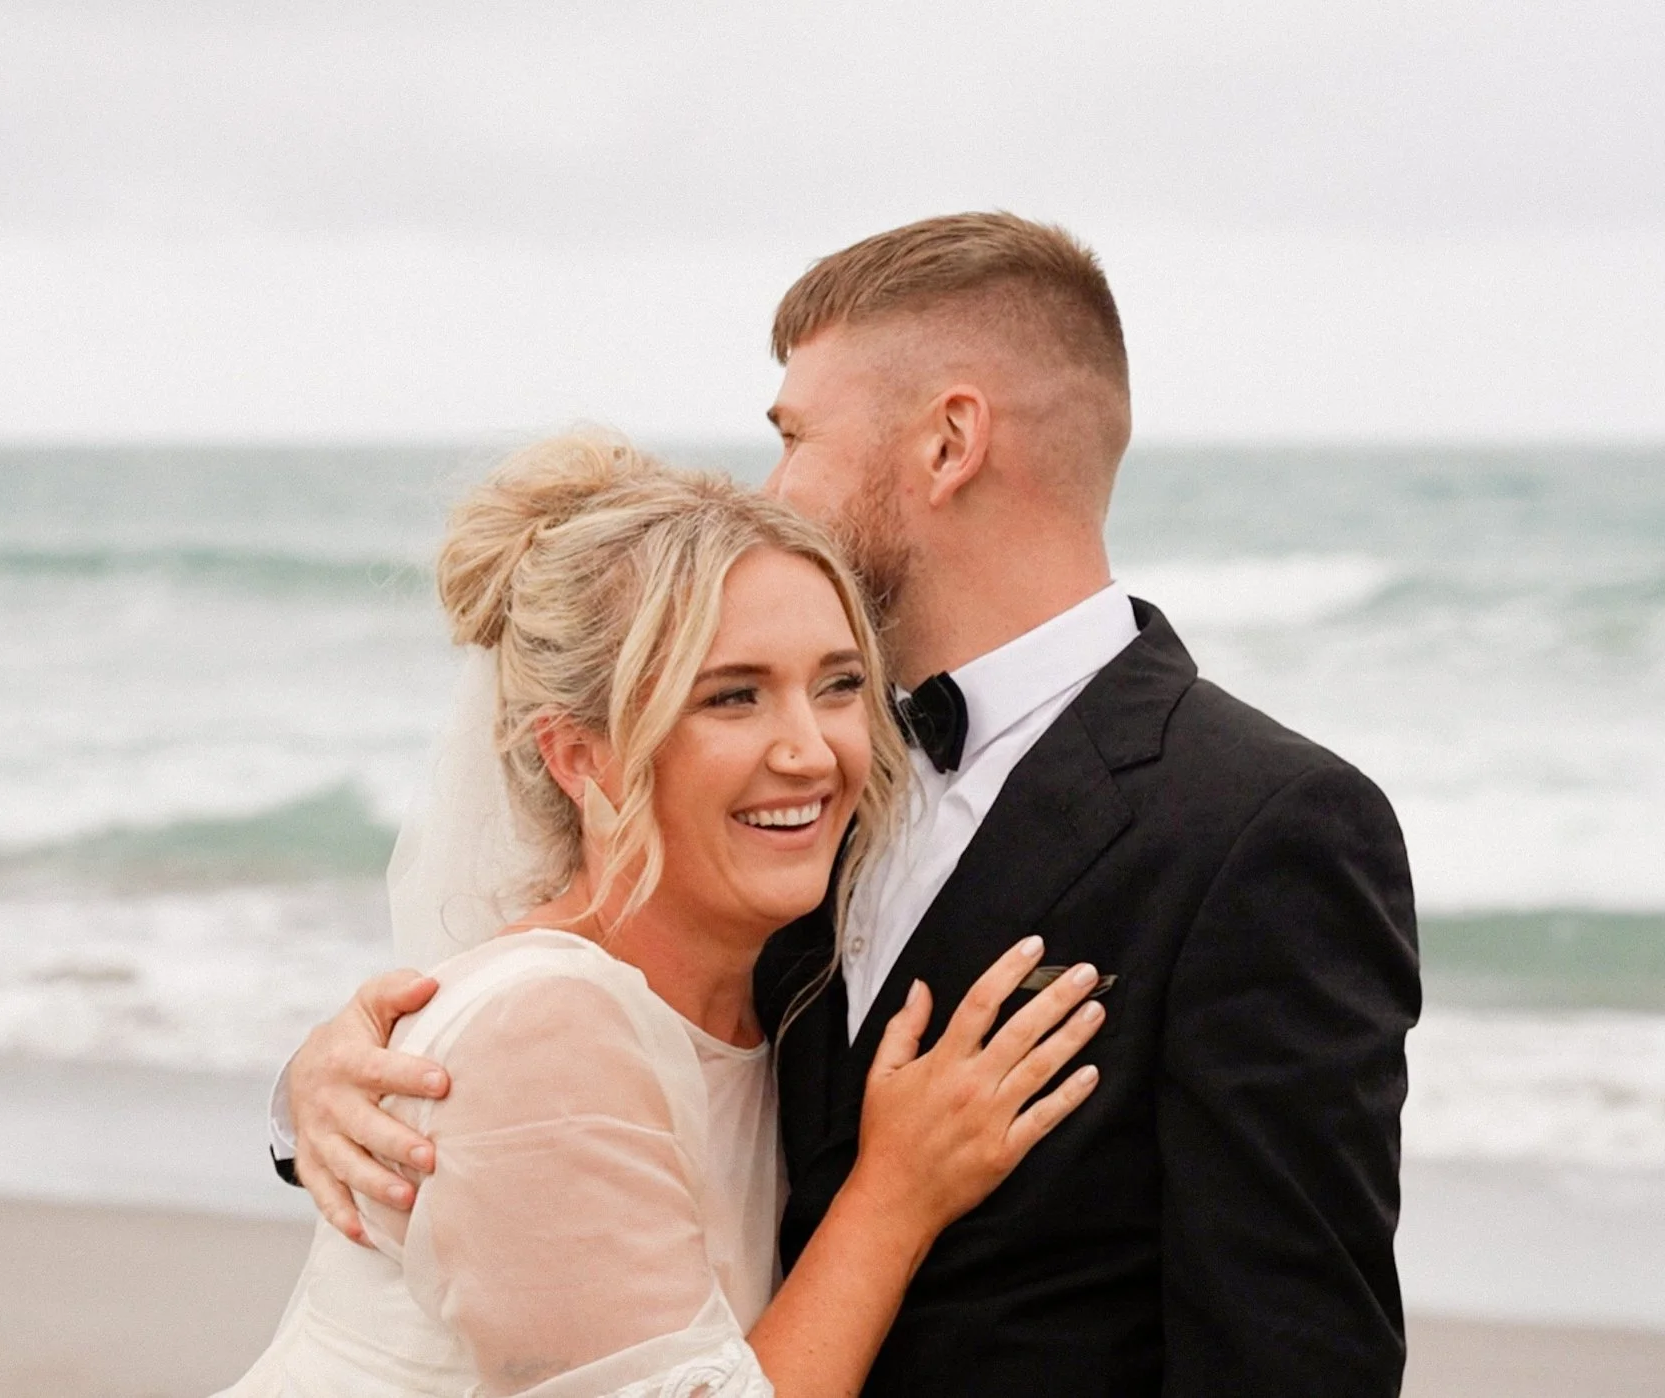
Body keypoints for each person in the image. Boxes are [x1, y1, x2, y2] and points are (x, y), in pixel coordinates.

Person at [284, 214, 1422, 1396]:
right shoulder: (795, 785)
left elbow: (1295, 1361)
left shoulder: (1259, 829)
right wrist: (325, 1093)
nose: (770, 486)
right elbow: (572, 1093)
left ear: (948, 442)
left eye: (794, 436)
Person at [224, 434, 1108, 1396]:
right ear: (577, 757)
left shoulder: (775, 999)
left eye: (840, 685)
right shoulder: (549, 1029)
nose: (810, 752)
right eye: (734, 697)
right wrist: (894, 1196)